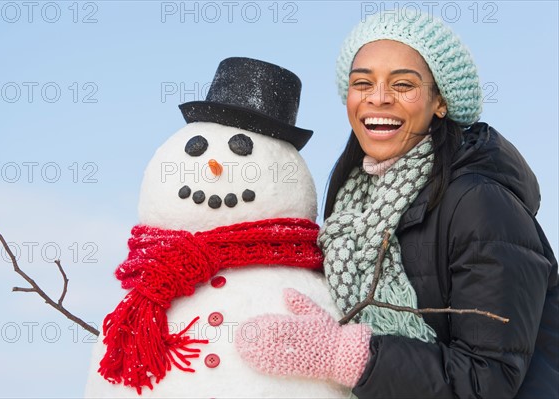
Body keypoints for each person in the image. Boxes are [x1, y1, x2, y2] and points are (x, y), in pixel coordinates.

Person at [235, 9, 559, 398]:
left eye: (403, 85)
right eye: (362, 83)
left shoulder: (480, 204)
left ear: (440, 101)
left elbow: (487, 379)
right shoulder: (351, 209)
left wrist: (345, 356)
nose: (379, 98)